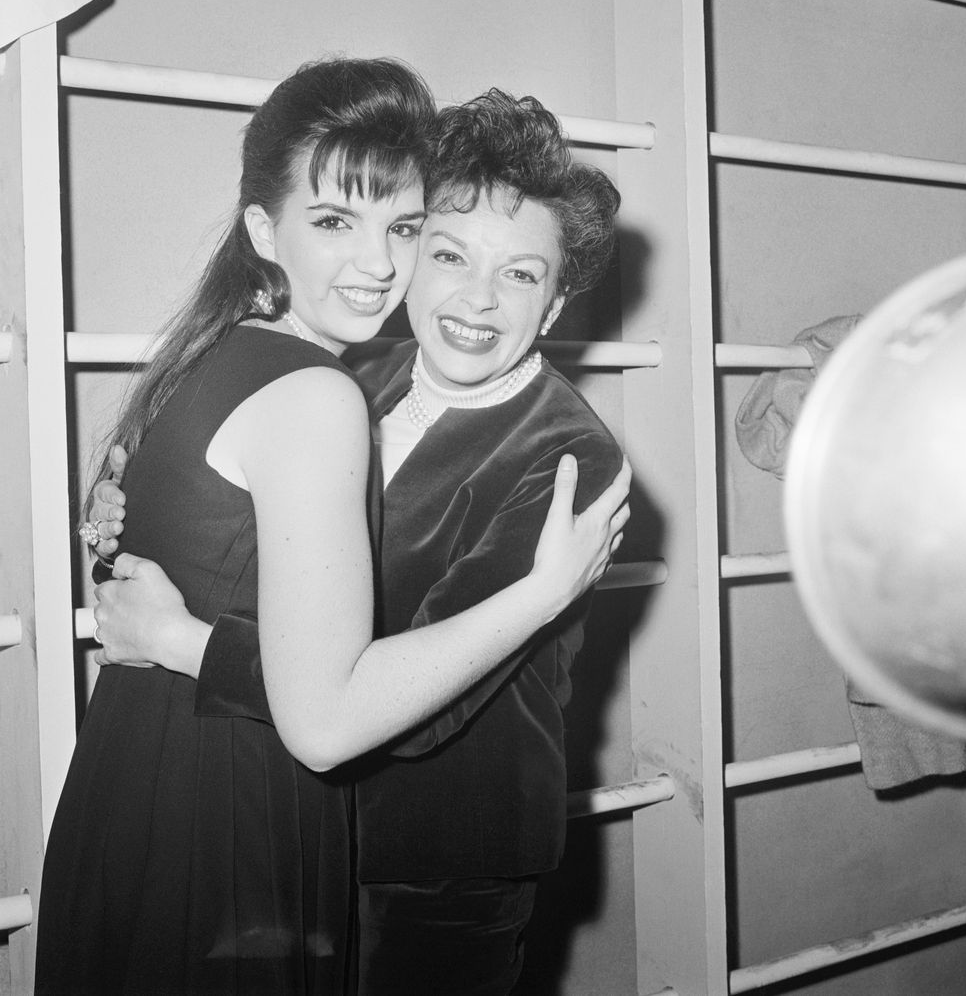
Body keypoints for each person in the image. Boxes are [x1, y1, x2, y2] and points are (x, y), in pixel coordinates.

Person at [37, 61, 629, 996]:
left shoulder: (570, 461)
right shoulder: (358, 373)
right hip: (303, 830)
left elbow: (416, 702)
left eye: (519, 275)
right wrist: (127, 514)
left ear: (555, 306)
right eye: (445, 252)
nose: (477, 300)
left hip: (438, 859)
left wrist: (187, 641)